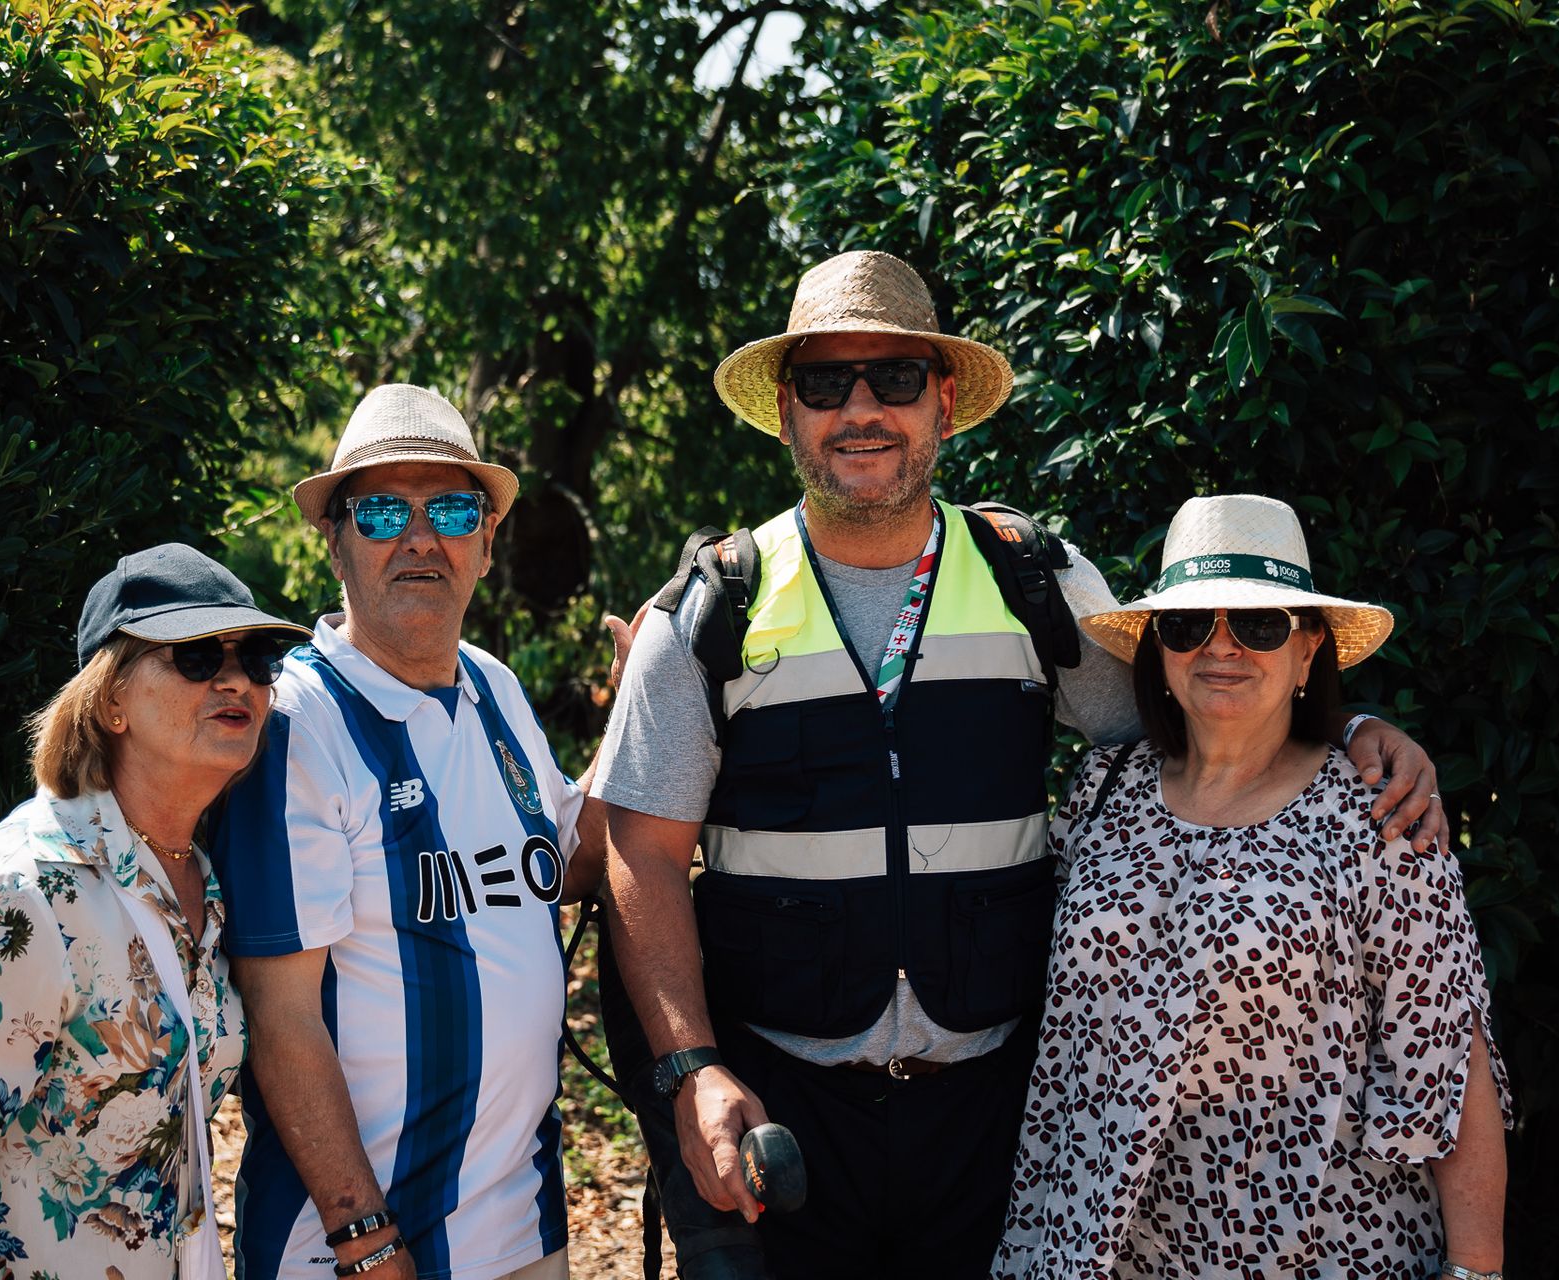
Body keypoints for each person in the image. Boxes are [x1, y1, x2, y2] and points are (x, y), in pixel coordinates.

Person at [595, 250, 1452, 1279]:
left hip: (992, 1120)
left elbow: (1207, 705)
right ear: (786, 411)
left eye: (896, 379)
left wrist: (1350, 725)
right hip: (785, 1106)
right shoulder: (709, 609)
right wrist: (694, 1069)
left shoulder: (1032, 578)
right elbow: (641, 856)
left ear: (945, 403)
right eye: (827, 383)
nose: (861, 409)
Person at [992, 493, 1510, 1280]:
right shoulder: (1103, 786)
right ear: (1159, 650)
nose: (1220, 648)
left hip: (1319, 1246)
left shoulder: (1377, 812)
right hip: (1098, 1245)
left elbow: (1447, 1052)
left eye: (1259, 625)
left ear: (1308, 652)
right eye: (1189, 624)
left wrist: (1477, 1269)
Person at [211, 384, 628, 1280]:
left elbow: (579, 861)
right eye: (381, 512)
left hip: (522, 1221)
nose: (418, 537)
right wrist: (365, 1239)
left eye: (448, 508)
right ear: (334, 541)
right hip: (358, 1251)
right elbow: (283, 1021)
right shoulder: (297, 725)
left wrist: (639, 721)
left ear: (484, 541)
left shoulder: (494, 688)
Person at [0, 543, 311, 1280]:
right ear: (110, 701)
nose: (236, 679)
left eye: (255, 658)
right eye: (196, 655)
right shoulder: (21, 893)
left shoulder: (201, 878)